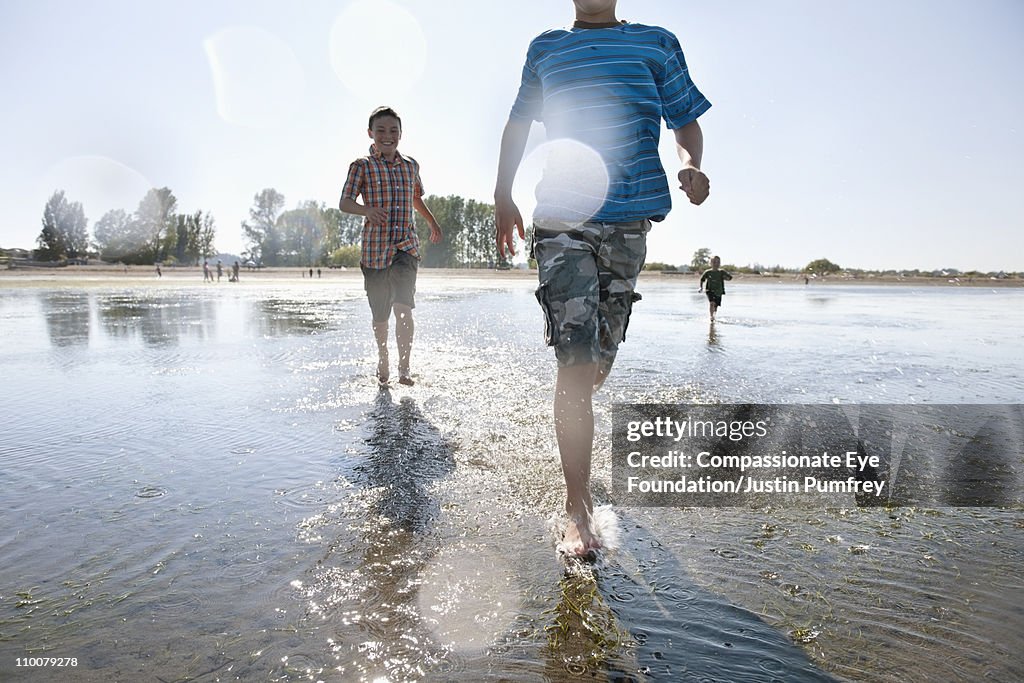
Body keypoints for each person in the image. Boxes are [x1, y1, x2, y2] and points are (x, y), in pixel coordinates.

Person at [495, 0, 711, 556]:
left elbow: (684, 119)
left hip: (629, 220)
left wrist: (689, 162)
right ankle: (577, 508)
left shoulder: (656, 43)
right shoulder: (547, 48)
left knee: (597, 365)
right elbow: (519, 122)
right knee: (577, 360)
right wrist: (503, 194)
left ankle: (575, 444)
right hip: (562, 219)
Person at [340, 106, 443, 387]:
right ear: (371, 133)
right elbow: (345, 203)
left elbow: (416, 198)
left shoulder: (411, 165)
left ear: (401, 133)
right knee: (381, 316)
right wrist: (367, 210)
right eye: (381, 130)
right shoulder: (361, 165)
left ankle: (404, 367)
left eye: (393, 130)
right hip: (375, 251)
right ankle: (383, 357)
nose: (388, 136)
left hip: (406, 247)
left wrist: (432, 222)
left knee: (404, 308)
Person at [699, 255, 732, 321]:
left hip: (719, 291)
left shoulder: (721, 272)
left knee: (716, 306)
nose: (716, 264)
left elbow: (730, 278)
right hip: (709, 290)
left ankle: (714, 316)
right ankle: (711, 317)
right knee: (712, 303)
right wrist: (701, 287)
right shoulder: (708, 272)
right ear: (710, 263)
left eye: (718, 262)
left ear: (720, 263)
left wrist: (725, 278)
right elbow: (702, 279)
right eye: (714, 262)